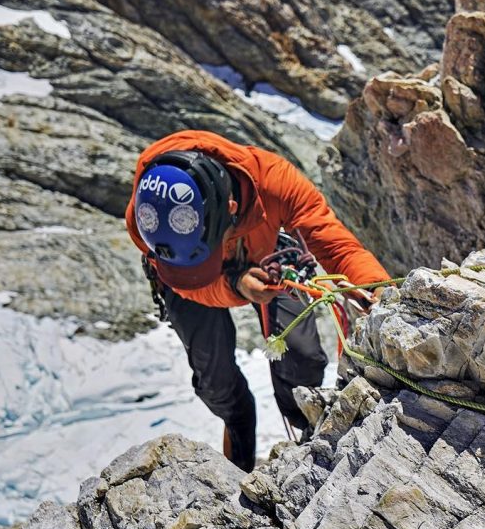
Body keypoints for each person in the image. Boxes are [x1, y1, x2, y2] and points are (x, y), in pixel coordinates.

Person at [125, 130, 389, 471]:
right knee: (215, 380)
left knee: (303, 359)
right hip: (183, 273)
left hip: (267, 253)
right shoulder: (146, 216)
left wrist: (375, 289)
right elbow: (190, 286)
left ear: (231, 210)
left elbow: (335, 245)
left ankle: (304, 428)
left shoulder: (274, 182)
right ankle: (238, 441)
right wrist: (236, 284)